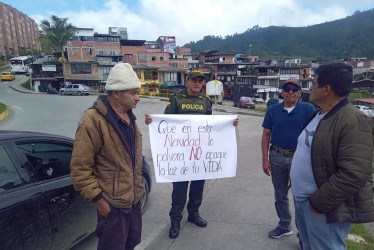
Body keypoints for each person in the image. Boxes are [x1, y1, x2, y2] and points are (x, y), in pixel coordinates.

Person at [145, 69, 239, 239]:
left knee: (197, 188)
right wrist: (152, 122)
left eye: (200, 81)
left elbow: (211, 126)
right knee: (179, 190)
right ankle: (175, 220)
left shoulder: (206, 101)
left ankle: (193, 214)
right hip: (180, 155)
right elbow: (165, 125)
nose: (197, 83)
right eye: (194, 80)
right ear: (187, 81)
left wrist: (228, 124)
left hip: (200, 154)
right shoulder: (176, 100)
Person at [290, 62, 374, 250]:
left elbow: (354, 173)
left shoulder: (353, 119)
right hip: (304, 201)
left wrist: (318, 204)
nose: (310, 87)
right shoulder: (320, 114)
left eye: (314, 82)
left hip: (323, 208)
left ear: (326, 89)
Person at [70, 63, 144, 250]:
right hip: (112, 206)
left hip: (133, 201)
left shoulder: (130, 117)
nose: (138, 98)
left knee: (132, 243)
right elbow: (80, 169)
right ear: (116, 93)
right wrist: (99, 200)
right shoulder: (92, 120)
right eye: (132, 93)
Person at [261, 78, 315, 241]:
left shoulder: (308, 108)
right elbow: (266, 135)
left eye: (294, 89)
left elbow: (315, 134)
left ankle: (303, 232)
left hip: (300, 158)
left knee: (301, 196)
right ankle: (284, 225)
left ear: (300, 92)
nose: (290, 92)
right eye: (287, 89)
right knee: (280, 194)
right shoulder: (273, 110)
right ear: (282, 92)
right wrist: (265, 159)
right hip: (276, 155)